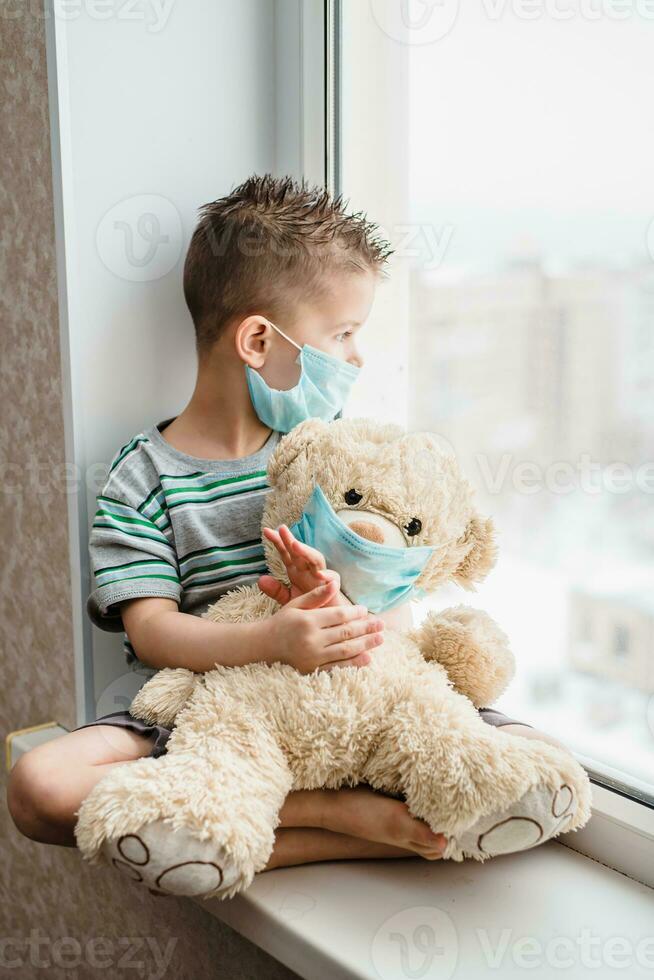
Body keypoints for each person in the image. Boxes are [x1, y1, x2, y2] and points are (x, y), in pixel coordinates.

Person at [7, 174, 568, 877]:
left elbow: (390, 593)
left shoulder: (336, 453)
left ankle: (269, 818)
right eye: (342, 334)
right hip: (202, 712)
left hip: (353, 699)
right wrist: (270, 640)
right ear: (256, 341)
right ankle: (338, 817)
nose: (356, 357)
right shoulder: (141, 477)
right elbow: (150, 632)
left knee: (544, 765)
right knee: (37, 789)